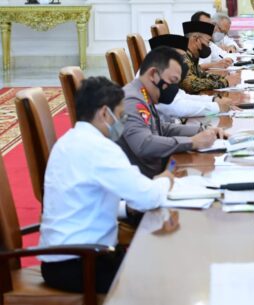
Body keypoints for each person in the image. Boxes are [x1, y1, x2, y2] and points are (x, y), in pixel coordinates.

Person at [39, 77, 173, 293]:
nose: (122, 122)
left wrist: (124, 208)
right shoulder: (99, 148)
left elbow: (84, 199)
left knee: (154, 263)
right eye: (120, 116)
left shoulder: (67, 141)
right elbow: (148, 197)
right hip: (82, 264)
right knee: (161, 281)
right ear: (104, 113)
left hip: (63, 260)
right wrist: (167, 179)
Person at [118, 46, 227, 178]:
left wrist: (200, 130)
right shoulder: (133, 100)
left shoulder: (144, 94)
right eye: (172, 81)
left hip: (159, 171)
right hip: (148, 180)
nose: (174, 89)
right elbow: (144, 144)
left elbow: (160, 128)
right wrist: (192, 142)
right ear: (153, 74)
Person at [148, 34, 234, 119]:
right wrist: (217, 107)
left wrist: (213, 99)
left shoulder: (162, 74)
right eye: (178, 58)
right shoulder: (154, 78)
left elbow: (182, 96)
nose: (182, 63)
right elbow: (177, 108)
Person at [181, 21, 239, 94]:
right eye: (208, 42)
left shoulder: (191, 56)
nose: (208, 46)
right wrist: (224, 82)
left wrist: (222, 78)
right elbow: (191, 84)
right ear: (196, 40)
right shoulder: (181, 56)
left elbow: (201, 74)